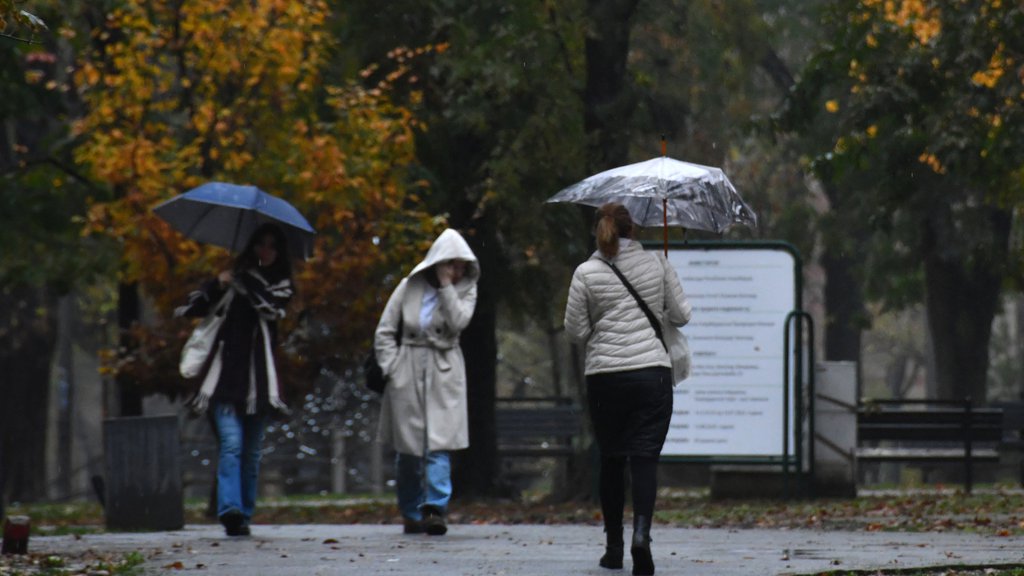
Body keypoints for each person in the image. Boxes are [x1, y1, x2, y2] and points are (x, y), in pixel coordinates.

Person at [563, 203, 691, 576]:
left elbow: (576, 332)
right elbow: (682, 315)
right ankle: (642, 535)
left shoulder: (585, 272)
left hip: (606, 377)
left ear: (598, 231)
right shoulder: (657, 263)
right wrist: (662, 286)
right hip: (651, 374)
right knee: (645, 459)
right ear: (632, 229)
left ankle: (613, 548)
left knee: (612, 460)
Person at [176, 223, 294, 537]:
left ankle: (243, 513)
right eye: (260, 244)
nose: (265, 251)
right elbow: (193, 307)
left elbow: (271, 307)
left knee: (251, 453)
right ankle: (230, 510)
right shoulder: (230, 280)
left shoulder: (281, 285)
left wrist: (246, 279)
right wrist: (218, 282)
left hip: (260, 384)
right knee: (231, 444)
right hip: (223, 380)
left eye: (272, 246)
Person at [373, 228, 479, 536]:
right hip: (407, 367)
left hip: (444, 367)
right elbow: (385, 330)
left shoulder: (466, 289)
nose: (457, 271)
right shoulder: (409, 286)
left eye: (461, 266)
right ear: (438, 261)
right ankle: (410, 511)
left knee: (439, 443)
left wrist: (446, 287)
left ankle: (435, 508)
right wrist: (392, 367)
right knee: (408, 448)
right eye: (451, 264)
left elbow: (459, 322)